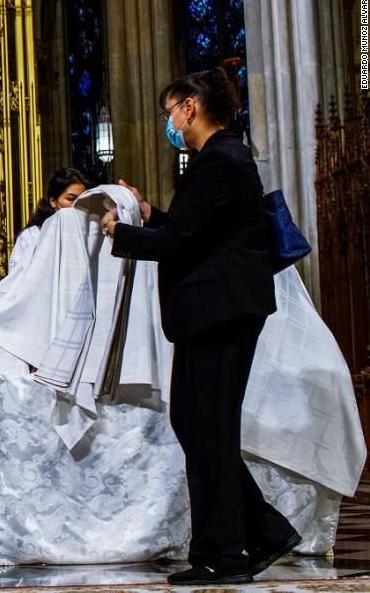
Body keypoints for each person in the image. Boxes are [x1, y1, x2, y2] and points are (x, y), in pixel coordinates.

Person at [102, 68, 301, 585]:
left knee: (209, 431)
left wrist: (120, 231)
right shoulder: (218, 160)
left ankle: (224, 554)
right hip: (210, 312)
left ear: (191, 106)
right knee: (195, 425)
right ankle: (263, 531)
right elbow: (193, 232)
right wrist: (149, 213)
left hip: (221, 313)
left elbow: (178, 243)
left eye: (170, 110)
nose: (169, 122)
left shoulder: (221, 161)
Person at [9, 168, 91, 274]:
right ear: (53, 201)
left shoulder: (90, 235)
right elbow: (16, 276)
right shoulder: (31, 236)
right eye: (71, 199)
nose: (77, 205)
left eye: (83, 200)